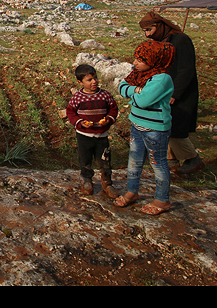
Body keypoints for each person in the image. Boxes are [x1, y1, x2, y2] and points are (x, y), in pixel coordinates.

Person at [115, 39, 175, 216]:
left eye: (139, 60)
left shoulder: (162, 79)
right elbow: (121, 87)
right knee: (134, 161)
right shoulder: (139, 75)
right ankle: (132, 191)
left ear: (155, 60)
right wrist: (137, 90)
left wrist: (134, 93)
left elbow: (143, 101)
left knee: (158, 163)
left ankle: (162, 199)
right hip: (137, 125)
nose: (134, 63)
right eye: (135, 58)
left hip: (155, 130)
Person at [139, 11, 204, 174]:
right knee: (164, 123)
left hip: (180, 92)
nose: (147, 35)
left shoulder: (181, 40)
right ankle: (170, 160)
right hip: (165, 91)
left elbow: (186, 70)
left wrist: (175, 93)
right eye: (145, 32)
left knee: (175, 127)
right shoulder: (162, 42)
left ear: (160, 26)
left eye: (150, 30)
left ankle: (193, 159)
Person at [66, 64, 119, 198]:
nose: (94, 81)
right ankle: (87, 180)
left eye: (95, 78)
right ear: (80, 82)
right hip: (84, 135)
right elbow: (71, 112)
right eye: (89, 80)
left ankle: (107, 182)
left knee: (105, 160)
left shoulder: (105, 95)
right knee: (85, 159)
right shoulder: (78, 97)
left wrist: (109, 119)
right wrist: (80, 122)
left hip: (102, 135)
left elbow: (113, 108)